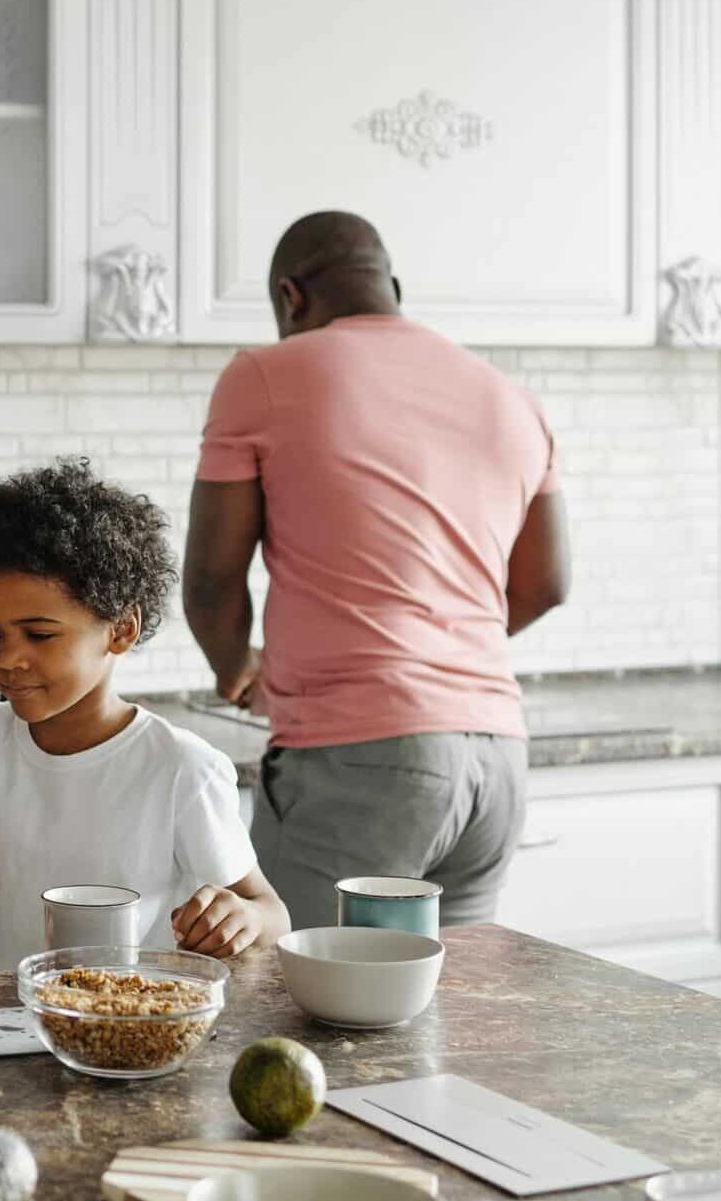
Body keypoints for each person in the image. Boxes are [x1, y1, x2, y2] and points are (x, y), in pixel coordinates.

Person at [182, 210, 570, 929]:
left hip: (359, 756)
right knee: (449, 1006)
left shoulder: (265, 375)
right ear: (390, 284)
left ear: (291, 298)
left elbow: (210, 579)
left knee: (292, 999)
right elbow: (547, 584)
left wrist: (235, 666)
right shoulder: (511, 397)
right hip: (497, 760)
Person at [0, 460, 292, 983]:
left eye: (39, 635)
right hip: (6, 1020)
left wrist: (241, 918)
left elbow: (271, 912)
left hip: (133, 1025)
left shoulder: (181, 765)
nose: (8, 659)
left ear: (121, 631)